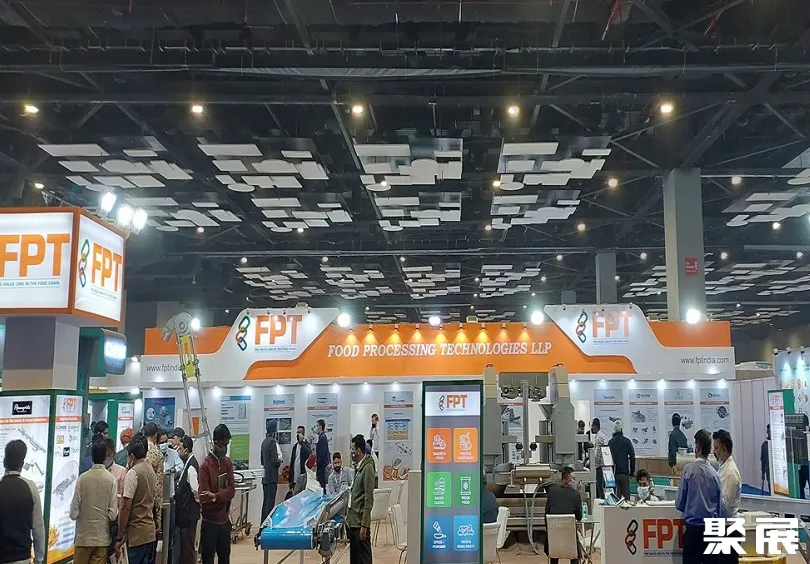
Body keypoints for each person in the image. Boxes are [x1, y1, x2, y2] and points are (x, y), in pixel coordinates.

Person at [675, 429, 723, 564]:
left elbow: (679, 503)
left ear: (697, 447)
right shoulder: (715, 474)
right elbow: (719, 507)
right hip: (712, 532)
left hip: (694, 531)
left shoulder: (688, 471)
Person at [71, 439, 119, 564]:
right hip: (101, 539)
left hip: (83, 539)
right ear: (105, 457)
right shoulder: (111, 479)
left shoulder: (82, 479)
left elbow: (73, 513)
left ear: (91, 457)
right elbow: (113, 514)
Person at [115, 433, 159, 564]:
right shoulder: (151, 471)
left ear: (132, 456)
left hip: (136, 534)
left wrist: (119, 536)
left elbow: (126, 506)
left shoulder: (133, 473)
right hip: (149, 532)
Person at [0, 440, 45, 564]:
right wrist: (39, 559)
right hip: (23, 557)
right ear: (22, 464)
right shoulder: (31, 487)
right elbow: (38, 528)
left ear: (4, 462)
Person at [199, 424, 236, 564]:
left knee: (224, 558)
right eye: (223, 445)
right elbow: (204, 498)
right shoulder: (205, 467)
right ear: (215, 443)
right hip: (210, 523)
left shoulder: (227, 463)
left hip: (224, 522)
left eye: (227, 445)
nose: (225, 448)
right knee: (208, 559)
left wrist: (216, 496)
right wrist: (220, 496)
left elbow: (232, 490)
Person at [713, 430, 741, 564]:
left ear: (724, 449)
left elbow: (724, 506)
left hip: (729, 529)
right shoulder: (723, 467)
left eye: (716, 448)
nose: (714, 452)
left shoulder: (730, 473)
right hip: (723, 527)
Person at [544, 466, 582, 564]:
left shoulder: (552, 491)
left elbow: (547, 511)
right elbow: (579, 517)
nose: (575, 482)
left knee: (555, 545)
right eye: (573, 479)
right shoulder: (575, 494)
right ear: (568, 480)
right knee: (575, 547)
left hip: (553, 540)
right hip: (570, 540)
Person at [347, 434, 375, 564]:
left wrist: (364, 525)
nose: (351, 452)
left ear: (358, 450)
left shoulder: (367, 468)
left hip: (360, 523)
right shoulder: (358, 468)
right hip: (353, 522)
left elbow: (368, 498)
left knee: (364, 559)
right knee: (355, 558)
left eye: (352, 449)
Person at [175, 436, 200, 564]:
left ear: (186, 450)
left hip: (189, 514)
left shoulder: (191, 466)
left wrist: (195, 504)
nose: (178, 451)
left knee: (188, 547)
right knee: (184, 546)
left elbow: (195, 490)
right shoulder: (187, 464)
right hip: (185, 513)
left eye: (180, 448)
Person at [260, 420, 283, 523]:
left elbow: (262, 461)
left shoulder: (264, 442)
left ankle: (262, 525)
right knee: (270, 504)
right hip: (272, 477)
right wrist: (280, 461)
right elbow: (275, 461)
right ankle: (267, 526)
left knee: (265, 502)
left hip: (265, 478)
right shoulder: (272, 442)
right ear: (274, 431)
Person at [143, 422, 165, 526]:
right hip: (149, 502)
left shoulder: (137, 449)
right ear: (156, 435)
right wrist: (158, 516)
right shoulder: (158, 454)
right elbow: (158, 487)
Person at [608, 419, 635, 500]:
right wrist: (632, 472)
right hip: (625, 474)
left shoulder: (610, 442)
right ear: (622, 429)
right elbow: (632, 457)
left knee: (616, 499)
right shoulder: (627, 441)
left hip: (614, 474)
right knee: (627, 500)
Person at [590, 418, 609, 499]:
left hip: (600, 466)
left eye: (592, 426)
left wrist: (595, 463)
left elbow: (599, 453)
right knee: (600, 487)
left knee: (600, 487)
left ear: (595, 426)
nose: (591, 428)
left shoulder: (600, 437)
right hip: (600, 466)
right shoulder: (599, 436)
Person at [290, 426, 311, 494]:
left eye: (299, 432)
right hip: (295, 477)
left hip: (303, 477)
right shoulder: (295, 446)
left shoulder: (306, 444)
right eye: (297, 432)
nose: (298, 434)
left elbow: (308, 453)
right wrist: (290, 479)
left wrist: (302, 442)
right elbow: (292, 462)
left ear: (303, 434)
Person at [315, 419, 330, 494]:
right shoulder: (321, 437)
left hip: (322, 469)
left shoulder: (323, 438)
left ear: (320, 426)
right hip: (321, 468)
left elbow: (322, 455)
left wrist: (316, 464)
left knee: (322, 489)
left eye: (317, 426)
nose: (315, 428)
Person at [761, 424, 771, 491]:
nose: (770, 433)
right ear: (767, 432)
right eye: (769, 431)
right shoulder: (764, 445)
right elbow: (763, 460)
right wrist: (763, 473)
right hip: (769, 472)